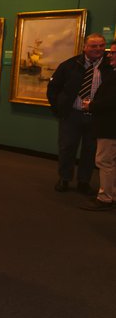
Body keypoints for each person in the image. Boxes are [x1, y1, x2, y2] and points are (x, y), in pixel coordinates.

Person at [47, 33, 109, 194]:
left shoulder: (110, 67)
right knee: (67, 148)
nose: (98, 49)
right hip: (72, 115)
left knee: (90, 150)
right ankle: (64, 179)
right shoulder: (69, 65)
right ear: (85, 47)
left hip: (97, 118)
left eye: (101, 45)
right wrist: (59, 109)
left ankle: (84, 182)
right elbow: (53, 89)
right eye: (94, 46)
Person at [80, 40, 116, 211]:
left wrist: (91, 106)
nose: (109, 55)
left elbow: (111, 101)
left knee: (104, 161)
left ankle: (105, 198)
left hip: (109, 126)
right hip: (108, 125)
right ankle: (111, 194)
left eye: (114, 52)